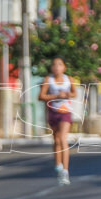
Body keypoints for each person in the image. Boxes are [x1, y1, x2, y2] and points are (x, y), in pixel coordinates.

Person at [39, 57, 77, 186]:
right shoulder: (48, 80)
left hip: (65, 112)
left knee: (62, 139)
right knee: (56, 140)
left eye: (60, 65)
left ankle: (65, 171)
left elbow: (74, 93)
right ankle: (58, 165)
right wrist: (56, 96)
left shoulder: (68, 79)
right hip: (53, 112)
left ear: (64, 67)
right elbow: (41, 96)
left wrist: (67, 95)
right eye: (54, 65)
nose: (57, 67)